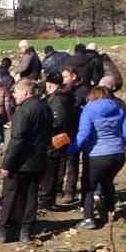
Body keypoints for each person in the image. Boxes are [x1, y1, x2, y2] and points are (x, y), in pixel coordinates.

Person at [70, 85, 126, 229]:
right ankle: (110, 212)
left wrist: (70, 149)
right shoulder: (118, 109)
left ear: (92, 96)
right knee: (107, 182)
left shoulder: (88, 110)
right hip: (117, 155)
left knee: (88, 185)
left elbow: (84, 134)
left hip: (97, 155)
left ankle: (88, 218)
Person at [0, 81, 51, 243]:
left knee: (10, 195)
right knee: (31, 195)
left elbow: (17, 140)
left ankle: (3, 230)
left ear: (26, 93)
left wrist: (7, 164)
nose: (13, 96)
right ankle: (25, 231)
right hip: (39, 159)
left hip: (20, 161)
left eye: (16, 93)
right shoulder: (45, 107)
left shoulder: (23, 110)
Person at [42, 70, 80, 211]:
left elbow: (58, 120)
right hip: (64, 136)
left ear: (50, 84)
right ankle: (50, 196)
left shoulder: (57, 99)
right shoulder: (67, 96)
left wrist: (45, 127)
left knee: (51, 167)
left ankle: (47, 198)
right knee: (57, 166)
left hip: (55, 137)